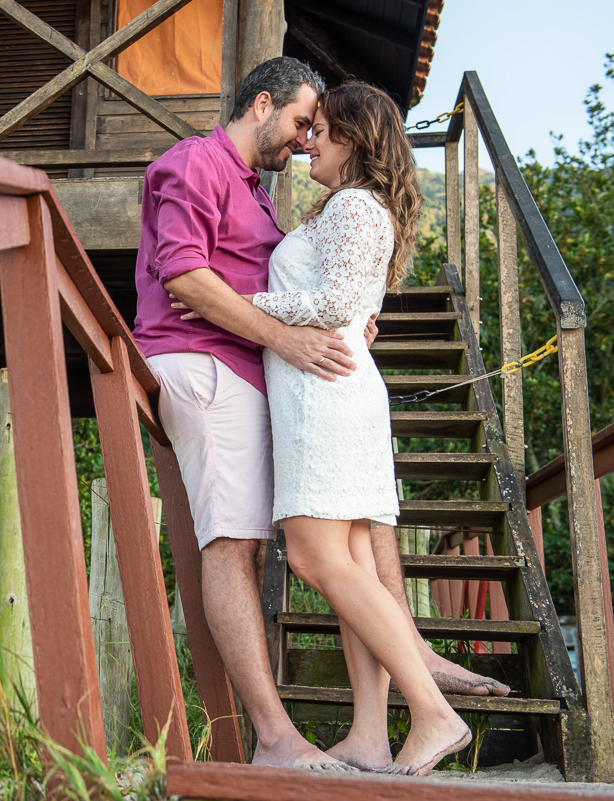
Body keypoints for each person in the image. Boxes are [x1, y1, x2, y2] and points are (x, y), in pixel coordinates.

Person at [133, 58, 506, 772]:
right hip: (219, 367)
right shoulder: (199, 166)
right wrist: (305, 325)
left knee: (327, 552)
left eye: (320, 130)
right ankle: (330, 729)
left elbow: (326, 293)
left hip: (295, 382)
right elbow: (187, 274)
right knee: (271, 547)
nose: (307, 141)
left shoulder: (288, 199)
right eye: (304, 122)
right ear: (263, 101)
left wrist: (336, 321)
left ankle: (411, 712)